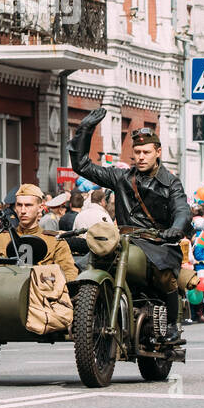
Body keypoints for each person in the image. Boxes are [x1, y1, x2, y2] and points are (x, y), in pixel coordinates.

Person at [68, 110, 190, 340]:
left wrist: (177, 227)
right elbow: (82, 166)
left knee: (165, 275)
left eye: (146, 152)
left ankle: (173, 323)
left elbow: (182, 209)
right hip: (123, 239)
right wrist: (84, 130)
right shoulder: (121, 178)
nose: (141, 156)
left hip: (158, 242)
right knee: (86, 264)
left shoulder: (171, 183)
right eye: (137, 152)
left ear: (158, 152)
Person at [0, 185, 78, 281]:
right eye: (19, 205)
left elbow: (70, 274)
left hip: (43, 302)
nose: (23, 211)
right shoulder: (2, 238)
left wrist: (48, 277)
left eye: (28, 205)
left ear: (40, 208)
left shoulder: (54, 241)